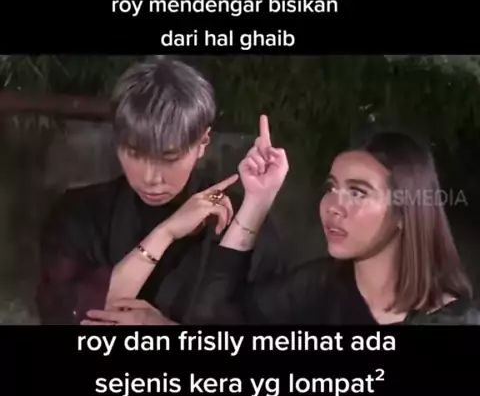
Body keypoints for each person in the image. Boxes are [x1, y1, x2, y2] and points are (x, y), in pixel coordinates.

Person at [36, 58, 285, 325]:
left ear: (202, 143)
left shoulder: (243, 224)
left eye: (169, 157)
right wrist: (165, 233)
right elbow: (65, 315)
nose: (151, 178)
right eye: (135, 154)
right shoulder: (81, 214)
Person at [195, 116, 480, 325]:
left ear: (405, 212)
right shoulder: (319, 286)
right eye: (331, 188)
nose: (333, 206)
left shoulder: (456, 320)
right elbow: (212, 320)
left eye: (357, 193)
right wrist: (258, 200)